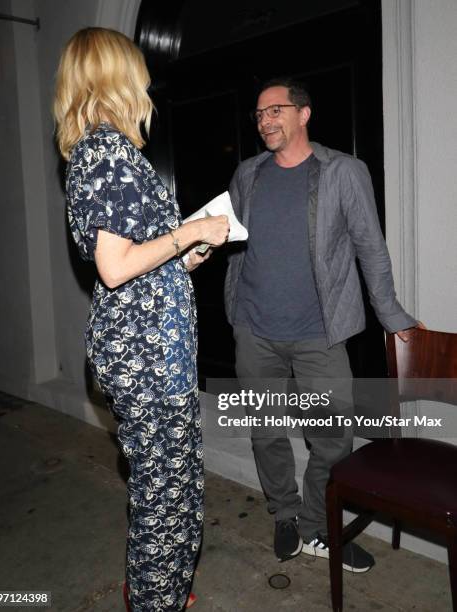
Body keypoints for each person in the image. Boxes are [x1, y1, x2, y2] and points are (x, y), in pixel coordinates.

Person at [53, 28, 229, 611]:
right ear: (113, 75)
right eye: (136, 68)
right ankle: (156, 601)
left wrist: (184, 256)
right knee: (164, 494)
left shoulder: (107, 151)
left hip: (152, 348)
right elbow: (114, 266)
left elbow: (138, 263)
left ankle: (166, 594)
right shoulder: (104, 151)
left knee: (173, 487)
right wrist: (192, 231)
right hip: (143, 357)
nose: (146, 82)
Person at [224, 76, 421, 572]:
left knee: (332, 438)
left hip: (319, 334)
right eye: (260, 114)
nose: (265, 120)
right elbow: (234, 241)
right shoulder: (247, 174)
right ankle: (285, 514)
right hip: (254, 330)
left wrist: (390, 312)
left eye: (275, 110)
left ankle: (316, 524)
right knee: (266, 432)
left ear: (303, 114)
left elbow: (369, 247)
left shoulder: (343, 172)